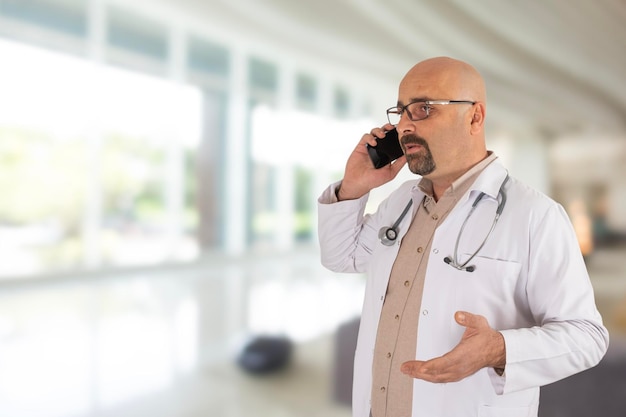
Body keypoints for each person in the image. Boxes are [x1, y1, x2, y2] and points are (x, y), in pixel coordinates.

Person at [317, 57, 609, 417]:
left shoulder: (537, 215)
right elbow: (340, 256)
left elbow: (587, 337)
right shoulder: (400, 203)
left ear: (474, 117)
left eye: (423, 109)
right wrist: (353, 187)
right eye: (402, 111)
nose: (405, 125)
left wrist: (499, 349)